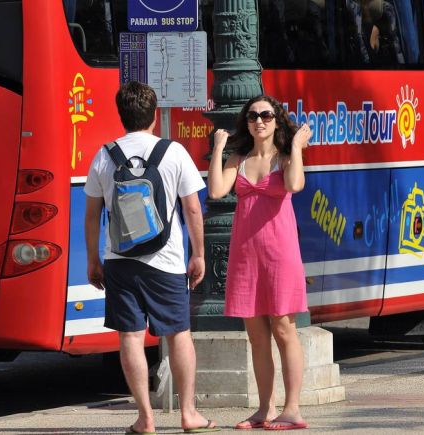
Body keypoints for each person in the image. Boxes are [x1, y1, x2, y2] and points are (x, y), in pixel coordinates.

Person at [84, 81, 219, 435]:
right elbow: (192, 208)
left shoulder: (104, 155)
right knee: (178, 335)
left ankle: (145, 418)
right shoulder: (173, 152)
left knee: (130, 337)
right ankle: (189, 414)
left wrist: (94, 260)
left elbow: (92, 215)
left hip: (119, 260)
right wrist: (199, 254)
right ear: (154, 115)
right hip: (167, 261)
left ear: (121, 115)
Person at [208, 95, 311, 431]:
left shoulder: (285, 158)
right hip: (246, 257)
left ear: (276, 120)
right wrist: (219, 150)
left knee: (284, 329)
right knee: (256, 337)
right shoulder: (239, 158)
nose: (259, 121)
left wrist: (295, 147)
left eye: (266, 115)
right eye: (253, 116)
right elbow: (216, 191)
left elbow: (295, 184)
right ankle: (265, 408)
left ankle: (292, 409)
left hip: (280, 255)